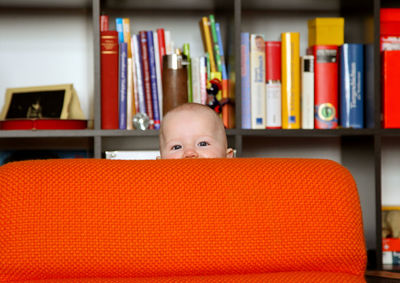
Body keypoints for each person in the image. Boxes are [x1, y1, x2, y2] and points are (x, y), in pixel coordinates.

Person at [159, 103, 234, 159]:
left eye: (203, 144)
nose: (189, 153)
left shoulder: (236, 180)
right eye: (176, 147)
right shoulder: (156, 180)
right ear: (159, 162)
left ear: (228, 156)